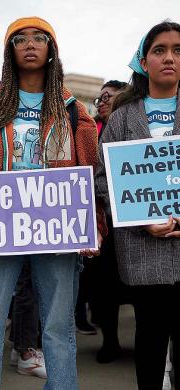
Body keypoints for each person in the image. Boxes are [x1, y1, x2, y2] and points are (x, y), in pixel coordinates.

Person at [0, 17, 105, 390]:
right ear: (9, 51)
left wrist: (92, 224)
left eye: (39, 38)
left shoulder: (73, 110)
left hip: (58, 230)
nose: (30, 44)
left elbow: (89, 172)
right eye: (20, 39)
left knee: (59, 326)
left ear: (52, 50)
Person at [96, 20, 180, 390]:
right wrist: (139, 218)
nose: (169, 58)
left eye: (178, 50)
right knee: (149, 339)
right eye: (159, 50)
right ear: (143, 62)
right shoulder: (121, 118)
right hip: (143, 251)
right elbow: (102, 181)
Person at [89, 80, 132, 363]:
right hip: (101, 221)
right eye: (99, 98)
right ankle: (110, 341)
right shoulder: (89, 133)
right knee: (104, 287)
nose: (101, 102)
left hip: (131, 221)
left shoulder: (132, 126)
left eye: (108, 97)